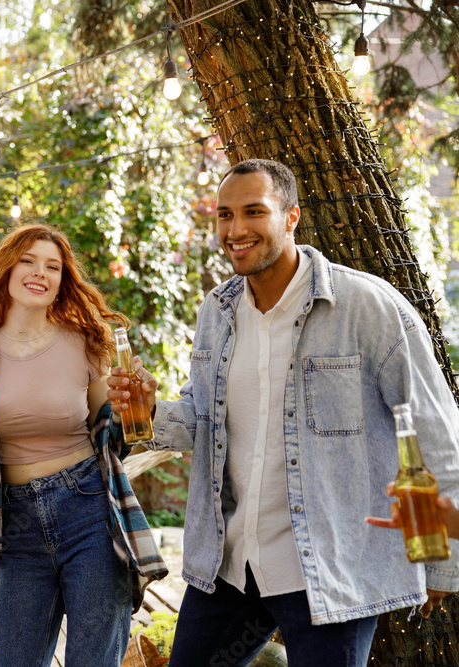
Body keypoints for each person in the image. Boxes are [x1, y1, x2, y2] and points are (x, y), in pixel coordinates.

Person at [108, 159, 459, 666]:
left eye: (254, 211)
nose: (235, 229)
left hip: (328, 572)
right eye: (225, 215)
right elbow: (202, 418)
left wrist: (445, 564)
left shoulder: (366, 307)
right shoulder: (217, 311)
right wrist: (148, 411)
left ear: (291, 216)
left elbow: (437, 426)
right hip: (232, 567)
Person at [0, 223, 167, 667]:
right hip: (14, 522)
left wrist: (139, 404)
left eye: (53, 266)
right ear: (6, 269)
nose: (40, 272)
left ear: (62, 280)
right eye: (28, 261)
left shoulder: (86, 343)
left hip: (89, 511)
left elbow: (114, 439)